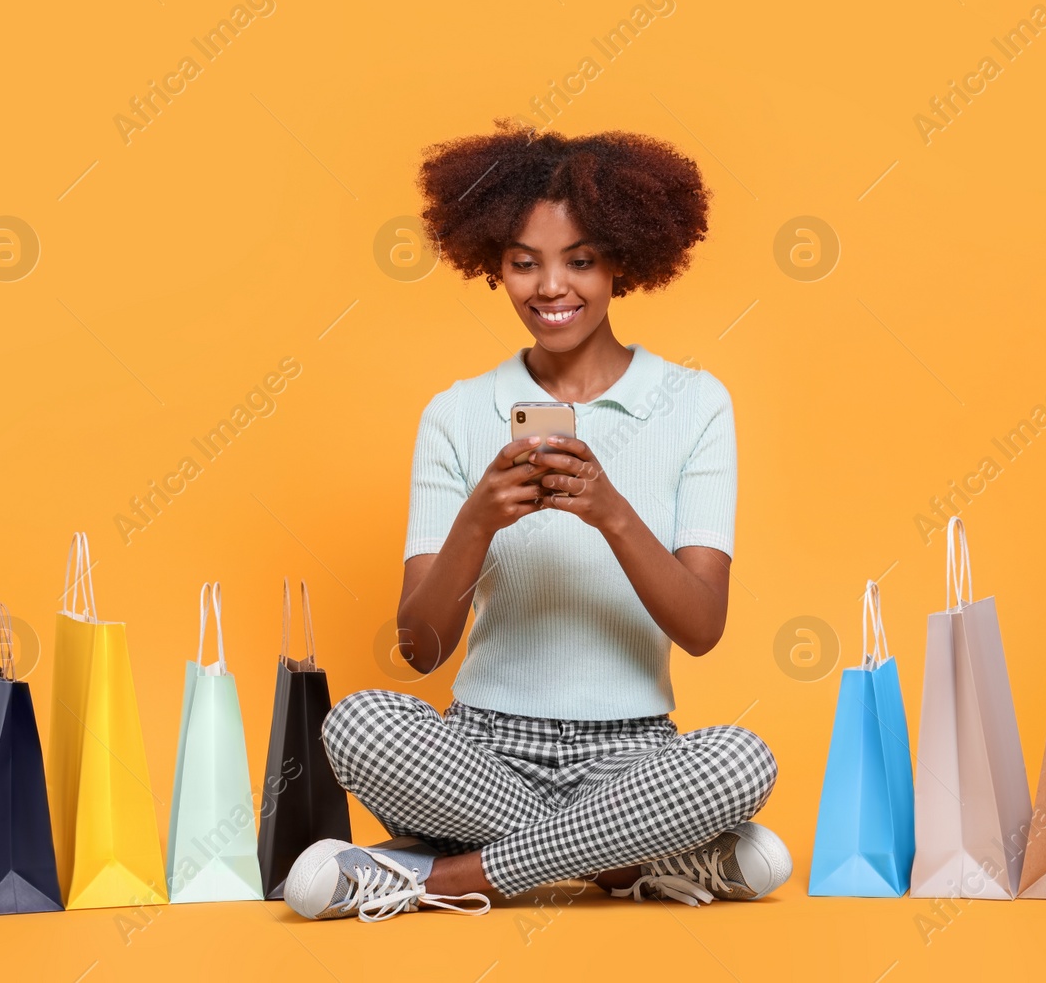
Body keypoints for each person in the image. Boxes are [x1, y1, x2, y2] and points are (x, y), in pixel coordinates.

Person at [283, 123, 789, 923]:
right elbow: (420, 650)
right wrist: (477, 522)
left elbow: (701, 627)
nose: (552, 286)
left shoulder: (696, 403)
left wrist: (612, 513)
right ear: (495, 265)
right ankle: (631, 863)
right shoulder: (454, 414)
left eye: (580, 259)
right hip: (480, 752)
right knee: (358, 723)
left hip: (634, 756)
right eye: (525, 261)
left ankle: (441, 878)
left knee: (738, 761)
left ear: (623, 258)